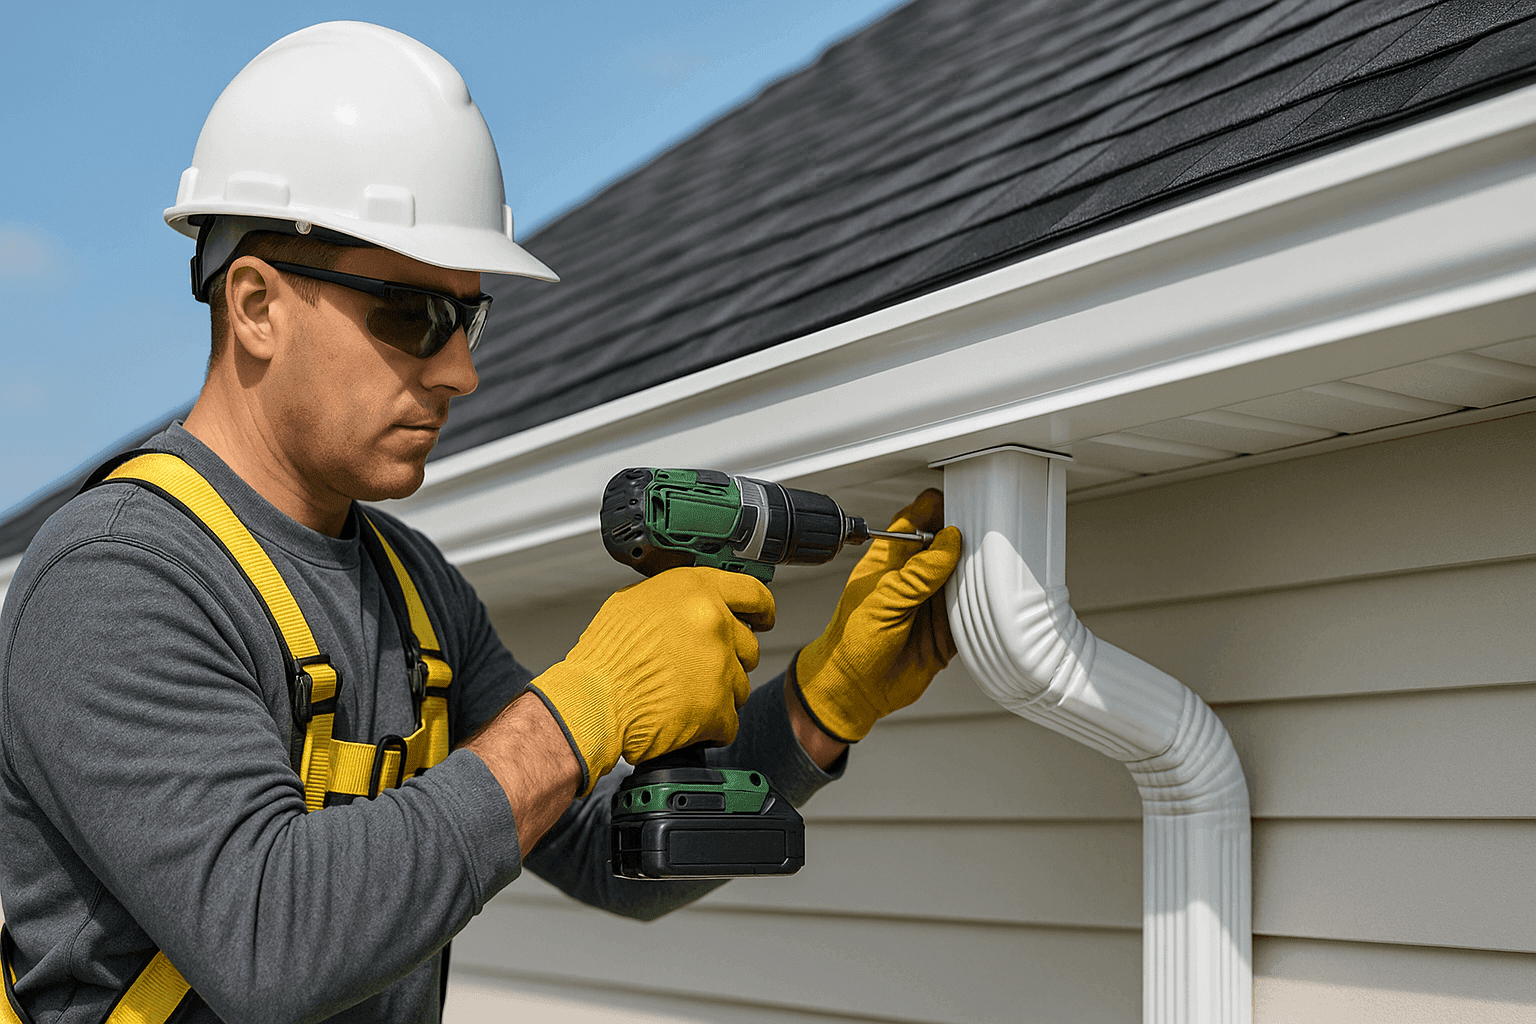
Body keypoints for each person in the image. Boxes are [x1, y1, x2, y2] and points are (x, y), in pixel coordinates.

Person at [0, 22, 961, 1024]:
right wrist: (587, 706)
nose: (460, 370)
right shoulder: (118, 576)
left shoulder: (416, 593)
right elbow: (266, 939)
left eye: (470, 317)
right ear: (254, 304)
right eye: (414, 312)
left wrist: (821, 705)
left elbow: (605, 850)